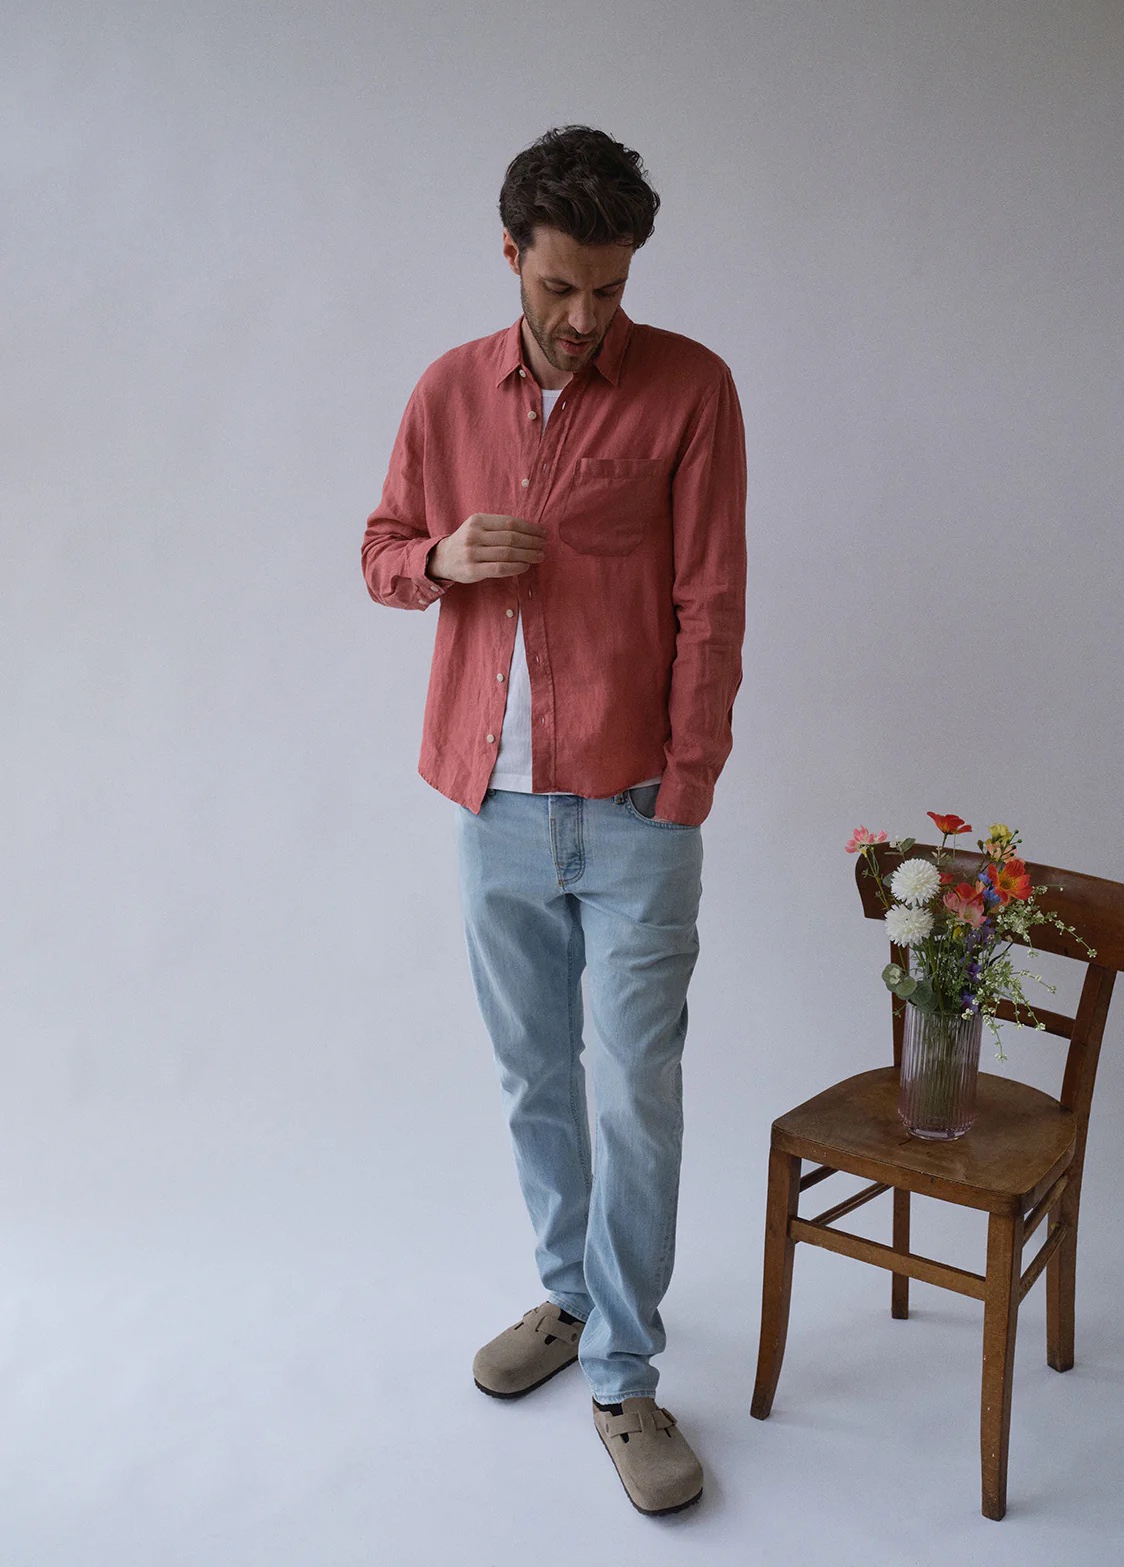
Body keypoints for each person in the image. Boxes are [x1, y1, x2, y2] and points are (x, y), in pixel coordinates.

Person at [361, 125, 746, 1516]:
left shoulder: (691, 388)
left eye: (612, 288)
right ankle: (569, 1299)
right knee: (534, 1076)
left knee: (636, 1093)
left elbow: (712, 598)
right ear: (512, 254)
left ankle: (626, 1375)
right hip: (495, 806)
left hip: (637, 807)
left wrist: (684, 786)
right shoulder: (446, 391)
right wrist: (443, 557)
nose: (587, 317)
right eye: (561, 285)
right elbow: (379, 550)